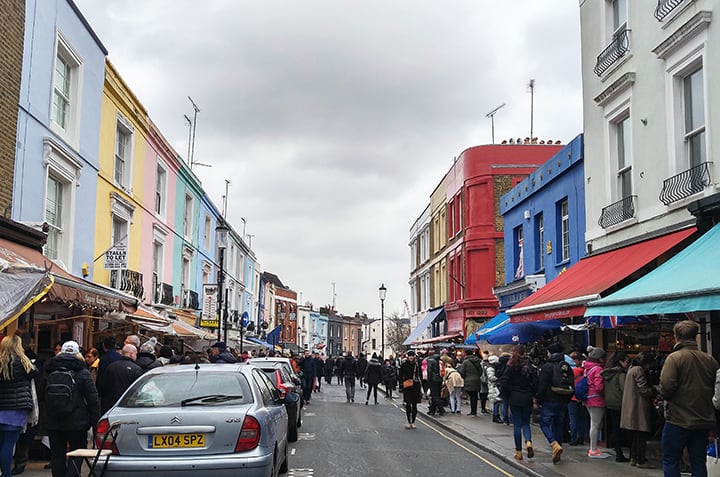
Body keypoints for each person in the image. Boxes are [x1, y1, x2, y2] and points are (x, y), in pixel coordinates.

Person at [659, 320, 719, 477]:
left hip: (678, 419)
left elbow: (666, 387)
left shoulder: (675, 358)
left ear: (676, 336)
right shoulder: (710, 360)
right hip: (703, 418)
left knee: (671, 459)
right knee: (698, 461)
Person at [45, 341, 100, 477]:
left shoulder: (50, 369)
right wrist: (95, 422)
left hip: (54, 421)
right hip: (77, 423)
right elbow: (93, 399)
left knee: (57, 455)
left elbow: (42, 394)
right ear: (78, 354)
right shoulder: (83, 372)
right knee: (77, 454)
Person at [0, 335, 37, 477]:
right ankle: (6, 474)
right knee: (9, 443)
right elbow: (35, 373)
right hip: (16, 409)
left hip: (1, 408)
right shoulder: (23, 362)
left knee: (2, 443)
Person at [620, 352, 658, 469]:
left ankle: (634, 457)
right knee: (641, 433)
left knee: (636, 434)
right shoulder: (639, 370)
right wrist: (653, 391)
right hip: (638, 406)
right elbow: (643, 389)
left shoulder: (631, 369)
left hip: (631, 405)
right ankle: (640, 459)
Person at [537, 342, 573, 464]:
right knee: (559, 424)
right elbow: (571, 383)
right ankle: (558, 448)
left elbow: (542, 385)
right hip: (563, 400)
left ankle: (554, 444)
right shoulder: (566, 365)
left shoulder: (547, 367)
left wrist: (539, 400)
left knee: (544, 423)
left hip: (550, 399)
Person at [500, 345, 537, 461]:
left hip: (515, 397)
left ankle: (519, 452)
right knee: (526, 423)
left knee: (517, 425)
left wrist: (509, 393)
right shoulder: (530, 367)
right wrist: (533, 394)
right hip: (527, 397)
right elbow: (536, 383)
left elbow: (504, 382)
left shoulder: (511, 366)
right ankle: (528, 442)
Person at [601, 351, 630, 462]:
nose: (628, 364)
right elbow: (625, 390)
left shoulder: (608, 374)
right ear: (621, 362)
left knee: (615, 428)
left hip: (610, 403)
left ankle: (618, 452)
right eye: (626, 361)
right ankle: (622, 454)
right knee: (623, 429)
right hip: (620, 404)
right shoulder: (621, 375)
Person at [99, 344, 142, 414]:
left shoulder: (111, 367)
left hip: (110, 405)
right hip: (127, 405)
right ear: (131, 354)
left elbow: (103, 385)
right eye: (135, 354)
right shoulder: (136, 369)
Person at [585, 346, 609, 458]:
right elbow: (599, 387)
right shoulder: (598, 369)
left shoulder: (588, 368)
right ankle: (593, 449)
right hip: (597, 399)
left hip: (589, 398)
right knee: (595, 425)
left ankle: (594, 448)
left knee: (594, 424)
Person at [568, 351, 589, 446]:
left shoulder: (574, 371)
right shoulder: (585, 372)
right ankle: (581, 437)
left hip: (573, 397)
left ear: (578, 360)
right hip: (583, 397)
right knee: (582, 418)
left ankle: (573, 439)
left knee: (573, 418)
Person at [399, 350, 422, 429]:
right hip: (407, 386)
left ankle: (413, 422)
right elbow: (400, 375)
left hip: (415, 386)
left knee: (415, 405)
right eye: (410, 356)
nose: (411, 357)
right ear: (407, 357)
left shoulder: (417, 365)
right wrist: (401, 385)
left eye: (412, 356)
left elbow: (420, 376)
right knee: (408, 404)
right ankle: (408, 421)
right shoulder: (404, 365)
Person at [459, 349, 483, 416]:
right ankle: (474, 411)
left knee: (472, 396)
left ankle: (473, 411)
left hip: (469, 381)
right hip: (477, 380)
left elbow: (462, 372)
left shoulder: (465, 362)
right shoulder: (477, 361)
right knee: (474, 396)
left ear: (466, 354)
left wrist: (464, 376)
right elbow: (481, 372)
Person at [426, 348, 446, 416]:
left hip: (433, 380)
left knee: (434, 395)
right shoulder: (440, 361)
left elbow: (429, 371)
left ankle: (441, 409)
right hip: (439, 379)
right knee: (436, 394)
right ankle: (432, 410)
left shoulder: (430, 361)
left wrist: (428, 380)